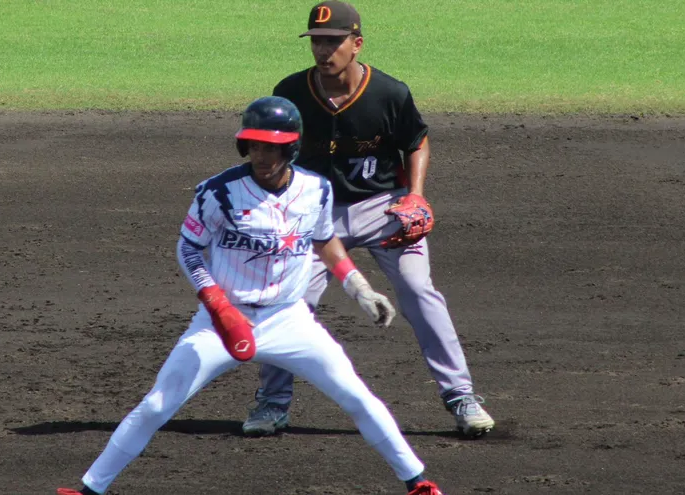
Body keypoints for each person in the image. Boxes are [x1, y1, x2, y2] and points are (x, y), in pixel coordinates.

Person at [56, 96, 445, 495]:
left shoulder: (316, 190)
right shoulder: (217, 192)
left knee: (356, 396)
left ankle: (417, 482)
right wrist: (218, 305)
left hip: (289, 320)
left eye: (271, 147)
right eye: (254, 146)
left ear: (290, 147)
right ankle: (89, 490)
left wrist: (358, 288)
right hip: (221, 322)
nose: (261, 155)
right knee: (158, 404)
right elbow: (188, 248)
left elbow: (324, 240)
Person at [242, 1, 495, 439]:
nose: (323, 51)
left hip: (384, 208)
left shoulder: (389, 93)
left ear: (356, 44)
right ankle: (272, 403)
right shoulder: (291, 93)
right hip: (314, 213)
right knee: (289, 301)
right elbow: (273, 149)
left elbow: (415, 141)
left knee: (419, 290)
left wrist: (415, 196)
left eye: (333, 42)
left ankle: (461, 396)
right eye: (317, 42)